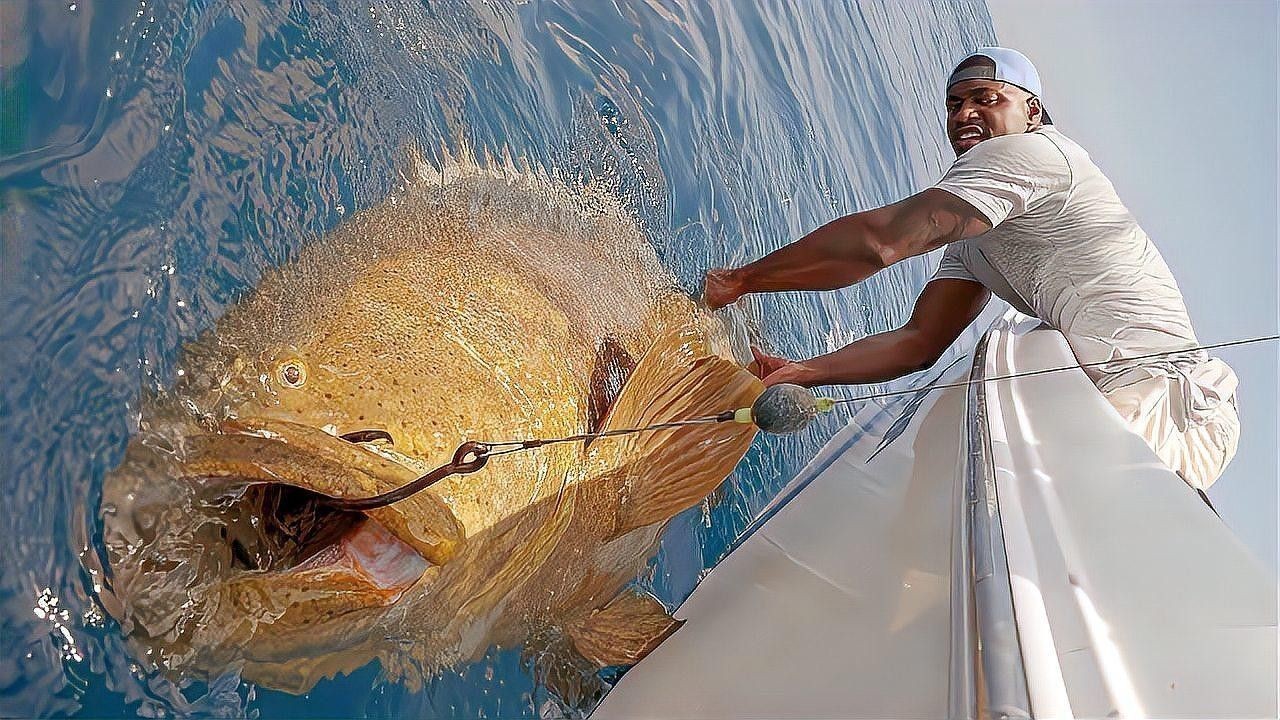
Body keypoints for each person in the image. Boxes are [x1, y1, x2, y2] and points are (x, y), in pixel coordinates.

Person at [703, 46, 1240, 493]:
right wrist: (807, 371)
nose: (964, 114)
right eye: (955, 103)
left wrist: (741, 282)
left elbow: (884, 241)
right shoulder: (979, 236)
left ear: (1032, 113)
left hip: (1163, 403)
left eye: (988, 99)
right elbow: (919, 340)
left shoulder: (1033, 155)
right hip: (1139, 406)